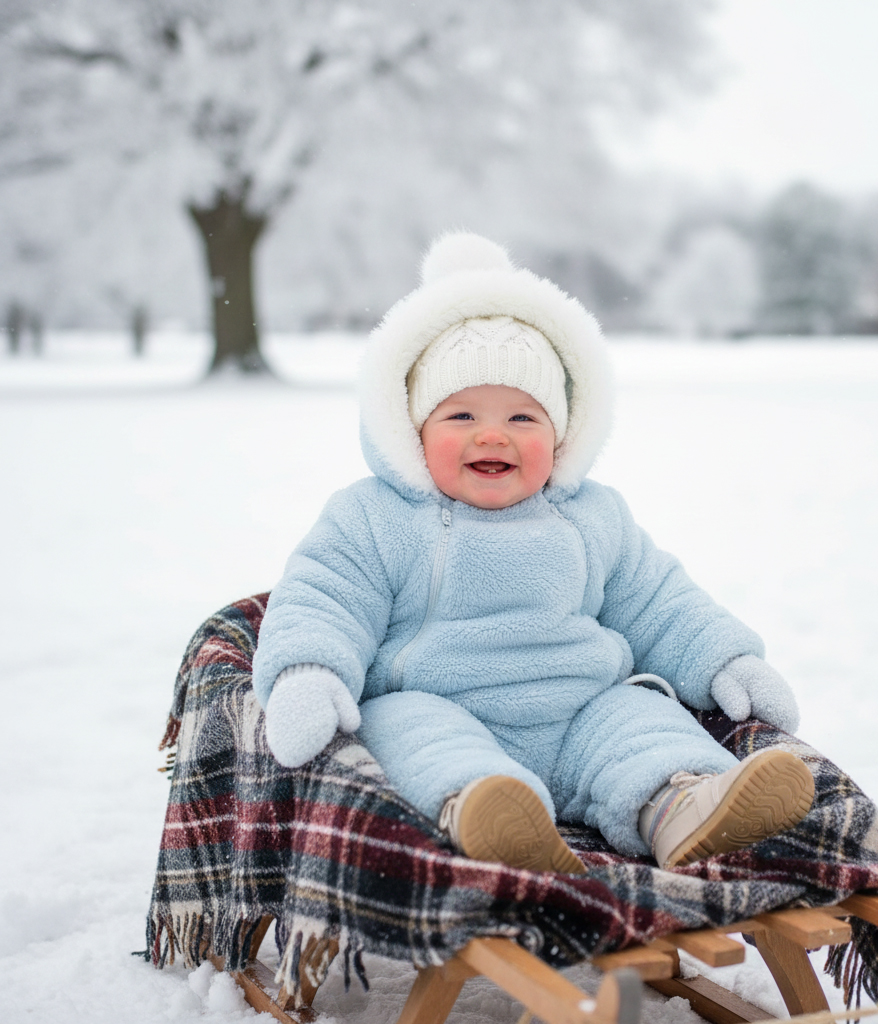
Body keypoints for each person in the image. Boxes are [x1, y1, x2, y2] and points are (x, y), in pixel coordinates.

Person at [252, 233, 814, 875]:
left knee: (641, 722)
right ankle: (483, 814)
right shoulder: (376, 517)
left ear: (563, 433)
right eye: (461, 416)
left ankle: (683, 805)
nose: (493, 434)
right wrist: (309, 672)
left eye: (523, 419)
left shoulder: (591, 516)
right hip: (442, 702)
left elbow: (658, 599)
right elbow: (325, 597)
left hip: (580, 710)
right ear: (410, 429)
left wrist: (725, 658)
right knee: (409, 730)